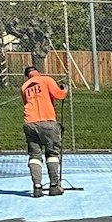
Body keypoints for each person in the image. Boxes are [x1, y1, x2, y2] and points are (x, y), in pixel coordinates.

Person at [20, 63, 68, 196]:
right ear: (38, 72)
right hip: (47, 122)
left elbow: (26, 102)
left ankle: (37, 187)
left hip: (29, 123)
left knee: (34, 155)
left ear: (27, 77)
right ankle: (54, 186)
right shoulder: (46, 79)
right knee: (52, 153)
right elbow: (59, 95)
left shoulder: (24, 87)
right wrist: (65, 90)